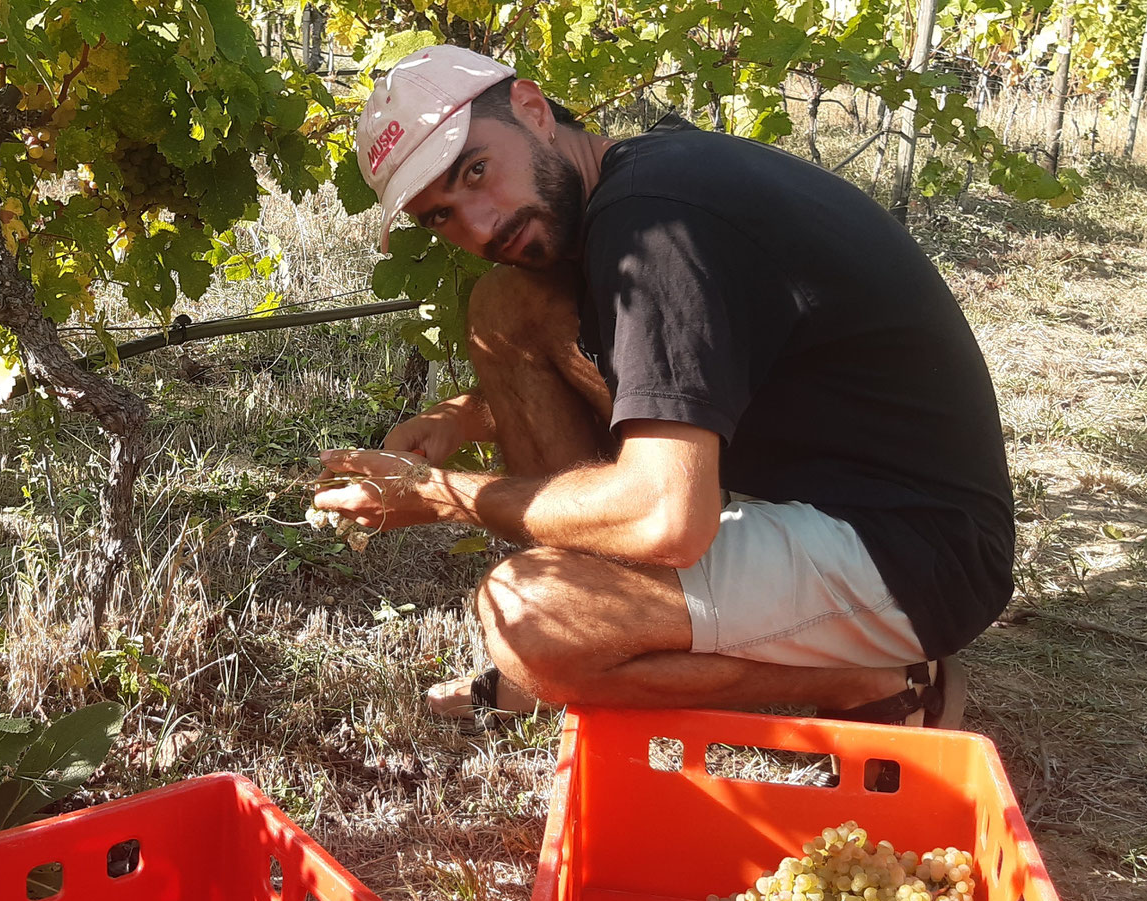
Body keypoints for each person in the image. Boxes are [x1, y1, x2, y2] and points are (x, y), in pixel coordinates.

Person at [314, 46, 1015, 727]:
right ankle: (607, 622)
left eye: (475, 171)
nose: (479, 223)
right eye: (440, 215)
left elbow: (669, 518)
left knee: (532, 618)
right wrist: (460, 420)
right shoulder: (642, 182)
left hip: (918, 553)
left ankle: (876, 680)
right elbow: (654, 366)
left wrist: (441, 496)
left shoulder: (654, 226)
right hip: (850, 505)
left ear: (531, 108)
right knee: (508, 304)